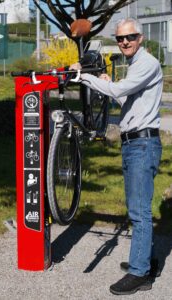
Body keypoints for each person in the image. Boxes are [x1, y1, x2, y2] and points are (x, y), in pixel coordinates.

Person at [70, 18, 163, 295]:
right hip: (135, 144)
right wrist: (108, 82)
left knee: (139, 212)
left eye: (130, 37)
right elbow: (128, 99)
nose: (124, 42)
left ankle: (139, 274)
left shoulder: (146, 63)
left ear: (140, 37)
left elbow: (120, 91)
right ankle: (143, 262)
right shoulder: (136, 65)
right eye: (120, 38)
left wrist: (83, 76)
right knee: (138, 209)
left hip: (142, 145)